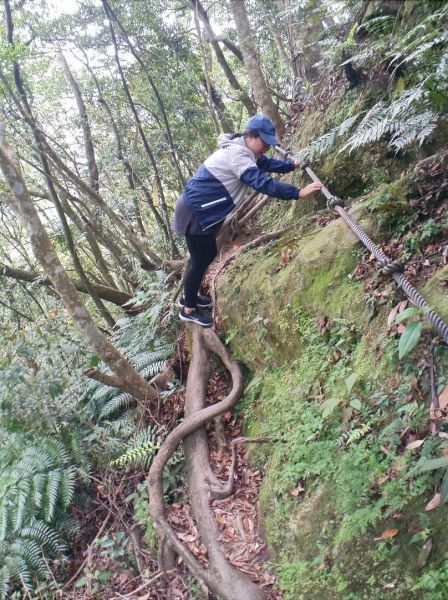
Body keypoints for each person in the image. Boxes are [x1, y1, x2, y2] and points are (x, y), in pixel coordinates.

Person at [173, 114, 322, 327]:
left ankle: (190, 297)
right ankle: (188, 309)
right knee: (200, 258)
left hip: (202, 210)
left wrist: (291, 166)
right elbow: (262, 183)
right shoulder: (238, 156)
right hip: (195, 212)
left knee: (206, 255)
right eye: (264, 142)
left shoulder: (246, 150)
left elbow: (265, 163)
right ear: (251, 136)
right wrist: (297, 193)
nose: (267, 148)